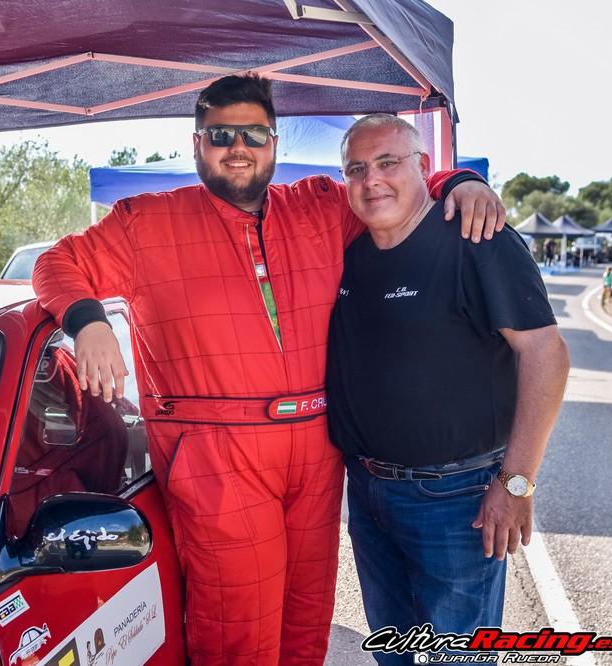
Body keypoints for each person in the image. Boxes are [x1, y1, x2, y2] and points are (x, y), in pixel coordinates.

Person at [32, 74, 505, 665]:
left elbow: (394, 185)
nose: (237, 147)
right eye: (219, 134)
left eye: (252, 134)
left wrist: (461, 181)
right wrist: (89, 322)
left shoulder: (322, 205)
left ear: (274, 142)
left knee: (306, 623)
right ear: (197, 144)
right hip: (216, 455)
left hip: (315, 450)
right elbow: (58, 263)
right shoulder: (145, 221)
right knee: (238, 634)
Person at [325, 114, 570, 665]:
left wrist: (518, 482)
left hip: (458, 501)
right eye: (356, 169)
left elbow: (546, 355)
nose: (372, 180)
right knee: (395, 650)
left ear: (424, 168)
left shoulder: (478, 241)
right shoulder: (349, 255)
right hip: (367, 492)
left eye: (389, 163)